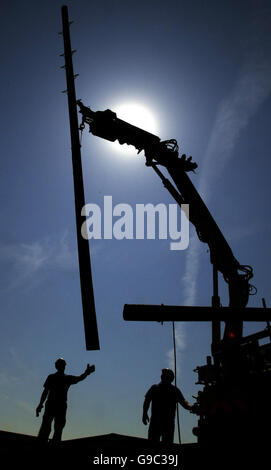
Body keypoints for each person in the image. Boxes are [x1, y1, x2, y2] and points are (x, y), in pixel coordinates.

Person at [36, 358, 95, 443]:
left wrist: (40, 404)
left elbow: (45, 392)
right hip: (57, 405)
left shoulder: (55, 377)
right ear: (62, 366)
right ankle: (47, 442)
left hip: (55, 405)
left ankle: (46, 442)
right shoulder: (59, 378)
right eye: (62, 365)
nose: (63, 366)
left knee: (53, 427)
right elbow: (45, 392)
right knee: (53, 427)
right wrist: (87, 373)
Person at [142, 368, 193, 445]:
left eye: (164, 374)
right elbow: (147, 401)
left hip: (168, 424)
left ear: (170, 377)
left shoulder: (175, 390)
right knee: (152, 443)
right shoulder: (154, 388)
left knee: (166, 444)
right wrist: (144, 413)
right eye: (162, 374)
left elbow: (184, 402)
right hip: (156, 422)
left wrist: (191, 407)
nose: (162, 375)